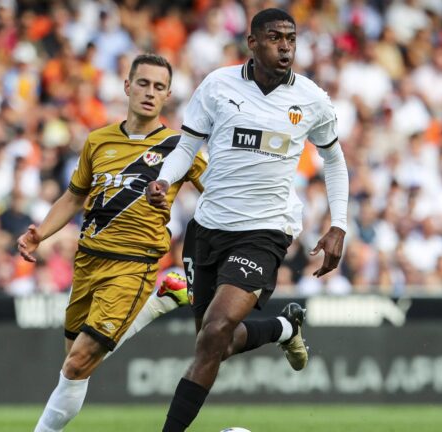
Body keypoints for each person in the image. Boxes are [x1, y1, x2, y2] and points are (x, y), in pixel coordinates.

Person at [145, 8, 349, 431]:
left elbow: (334, 160)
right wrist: (163, 181)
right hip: (207, 228)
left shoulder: (310, 99)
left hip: (263, 231)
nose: (286, 46)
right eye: (275, 37)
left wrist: (339, 224)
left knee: (218, 328)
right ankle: (281, 328)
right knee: (212, 342)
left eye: (291, 38)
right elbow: (187, 148)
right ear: (252, 43)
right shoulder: (218, 85)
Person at [16, 53, 207, 432]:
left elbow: (218, 190)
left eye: (158, 87)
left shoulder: (179, 147)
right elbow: (74, 196)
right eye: (143, 83)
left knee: (78, 362)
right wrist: (42, 233)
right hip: (87, 261)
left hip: (134, 263)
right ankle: (161, 301)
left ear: (167, 95)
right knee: (75, 362)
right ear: (127, 86)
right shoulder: (98, 141)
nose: (150, 93)